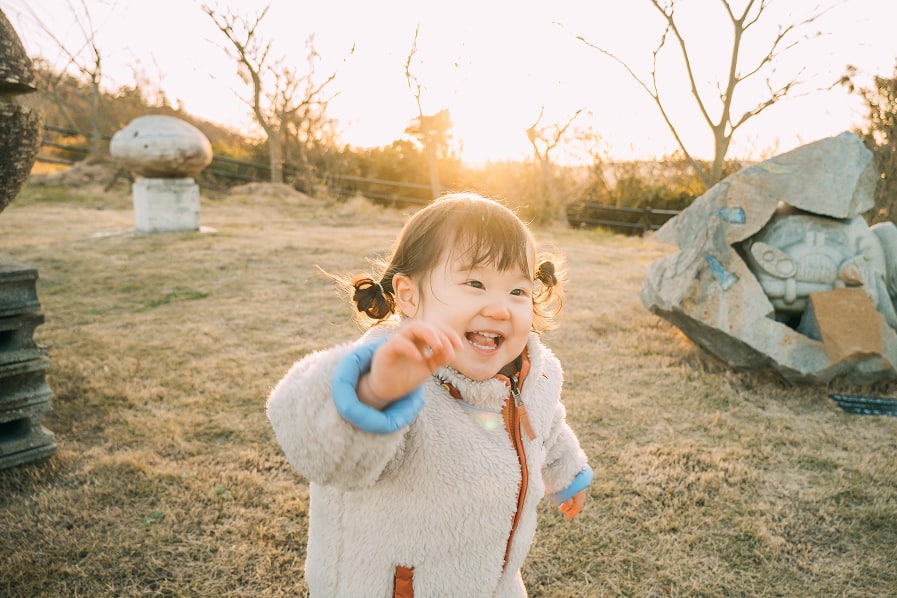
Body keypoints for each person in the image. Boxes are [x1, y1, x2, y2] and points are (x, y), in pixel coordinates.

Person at [267, 192, 593, 597]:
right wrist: (375, 391)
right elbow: (321, 450)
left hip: (492, 579)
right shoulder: (395, 375)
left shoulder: (536, 375)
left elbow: (546, 426)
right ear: (409, 295)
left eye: (517, 292)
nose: (499, 309)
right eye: (475, 283)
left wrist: (568, 473)